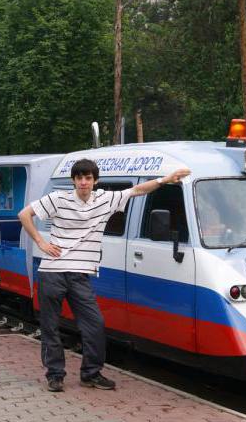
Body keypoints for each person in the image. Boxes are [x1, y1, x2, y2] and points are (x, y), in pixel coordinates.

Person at [18, 158, 191, 392]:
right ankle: (55, 375)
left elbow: (138, 190)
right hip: (52, 272)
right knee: (50, 326)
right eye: (79, 178)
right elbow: (24, 214)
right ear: (73, 180)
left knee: (95, 325)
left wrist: (165, 180)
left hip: (80, 275)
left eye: (88, 178)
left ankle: (91, 373)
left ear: (95, 180)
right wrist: (40, 242)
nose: (83, 182)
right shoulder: (58, 199)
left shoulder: (105, 199)